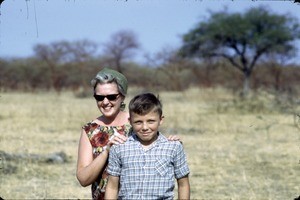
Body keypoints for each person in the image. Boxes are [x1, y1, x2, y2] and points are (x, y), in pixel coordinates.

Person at [76, 68, 181, 200]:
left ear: (123, 96)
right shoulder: (89, 130)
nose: (105, 102)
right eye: (99, 97)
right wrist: (106, 152)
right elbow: (83, 179)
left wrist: (171, 141)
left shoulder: (138, 122)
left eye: (112, 97)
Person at [105, 92, 190, 200]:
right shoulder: (119, 148)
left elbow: (183, 184)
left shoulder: (173, 147)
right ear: (130, 121)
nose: (145, 127)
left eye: (151, 121)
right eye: (138, 122)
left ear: (161, 120)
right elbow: (112, 187)